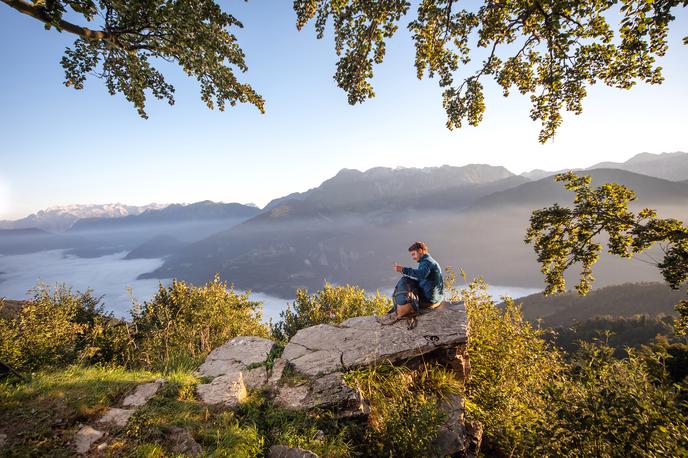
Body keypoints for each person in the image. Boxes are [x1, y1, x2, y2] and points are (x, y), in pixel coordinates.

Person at [393, 241, 444, 308]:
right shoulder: (427, 260)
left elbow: (421, 274)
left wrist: (403, 270)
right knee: (408, 281)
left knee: (404, 283)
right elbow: (422, 278)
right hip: (436, 297)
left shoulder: (427, 262)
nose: (413, 257)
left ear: (420, 251)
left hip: (429, 300)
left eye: (414, 254)